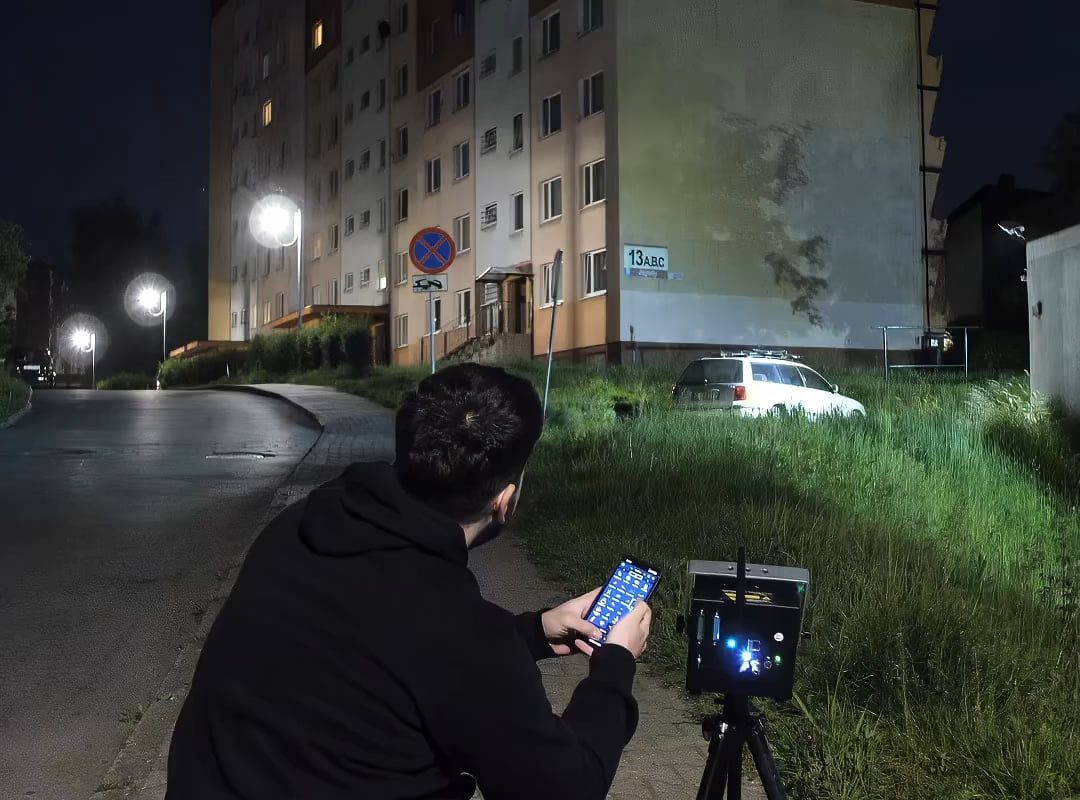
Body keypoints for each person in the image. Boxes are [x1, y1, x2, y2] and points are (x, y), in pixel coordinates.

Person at [167, 363, 652, 800]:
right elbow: (566, 786)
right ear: (505, 500)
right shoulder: (461, 634)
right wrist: (615, 665)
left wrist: (531, 632)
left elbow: (388, 639)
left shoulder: (304, 524)